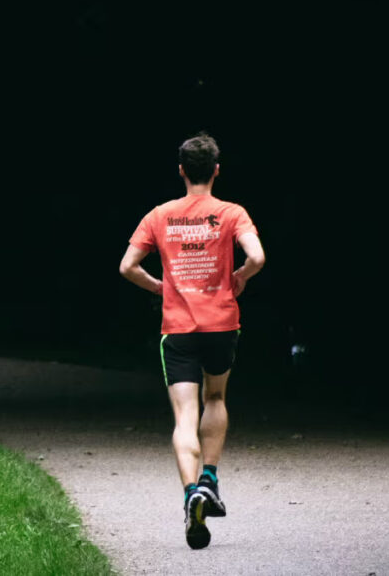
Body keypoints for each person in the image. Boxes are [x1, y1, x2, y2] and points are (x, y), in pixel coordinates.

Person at [118, 132, 265, 550]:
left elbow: (127, 266)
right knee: (215, 399)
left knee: (184, 417)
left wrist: (158, 287)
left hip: (178, 329)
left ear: (181, 170)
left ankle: (190, 496)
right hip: (221, 324)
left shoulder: (159, 215)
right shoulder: (232, 212)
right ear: (216, 170)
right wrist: (240, 277)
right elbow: (257, 257)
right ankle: (210, 481)